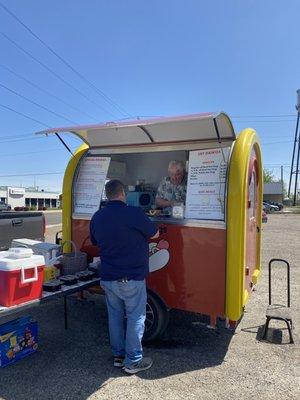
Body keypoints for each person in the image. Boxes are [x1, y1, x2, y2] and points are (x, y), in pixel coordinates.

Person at [90, 179, 159, 374]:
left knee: (115, 316)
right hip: (131, 278)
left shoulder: (98, 216)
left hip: (109, 278)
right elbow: (153, 234)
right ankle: (133, 361)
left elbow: (95, 240)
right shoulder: (133, 213)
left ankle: (119, 356)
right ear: (122, 194)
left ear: (107, 194)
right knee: (136, 317)